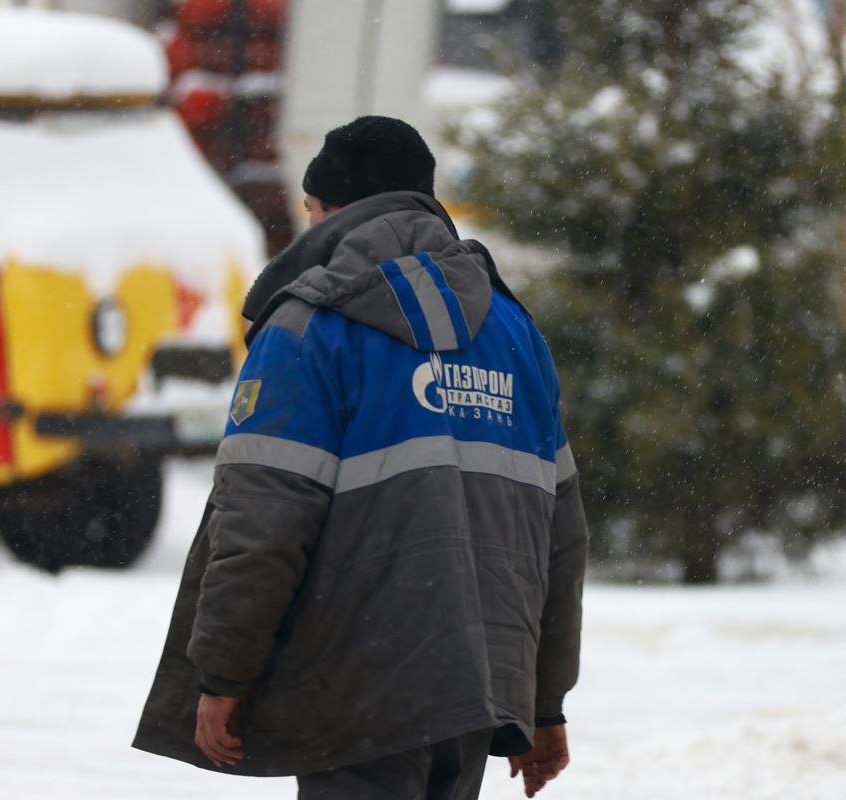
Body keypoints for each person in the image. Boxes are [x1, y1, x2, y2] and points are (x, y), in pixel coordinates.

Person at [133, 116, 588, 800]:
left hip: (356, 682)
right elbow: (561, 537)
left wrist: (224, 674)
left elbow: (261, 524)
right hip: (481, 690)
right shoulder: (515, 334)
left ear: (333, 211)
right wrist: (543, 700)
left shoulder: (311, 327)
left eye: (311, 210)